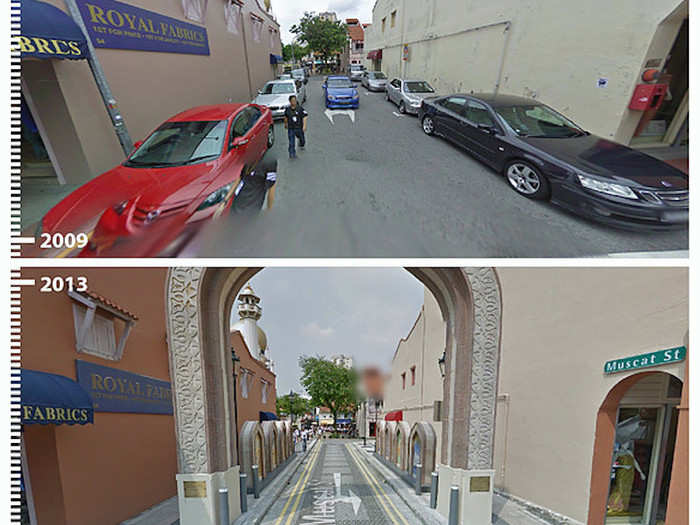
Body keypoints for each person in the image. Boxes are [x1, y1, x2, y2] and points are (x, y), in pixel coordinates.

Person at [283, 95, 308, 159]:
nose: (294, 102)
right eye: (292, 101)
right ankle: (292, 154)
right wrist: (285, 124)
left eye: (295, 100)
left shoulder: (299, 108)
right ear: (290, 101)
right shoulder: (287, 110)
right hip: (291, 128)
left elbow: (305, 116)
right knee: (291, 142)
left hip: (299, 127)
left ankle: (301, 143)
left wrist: (304, 125)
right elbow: (285, 117)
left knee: (302, 139)